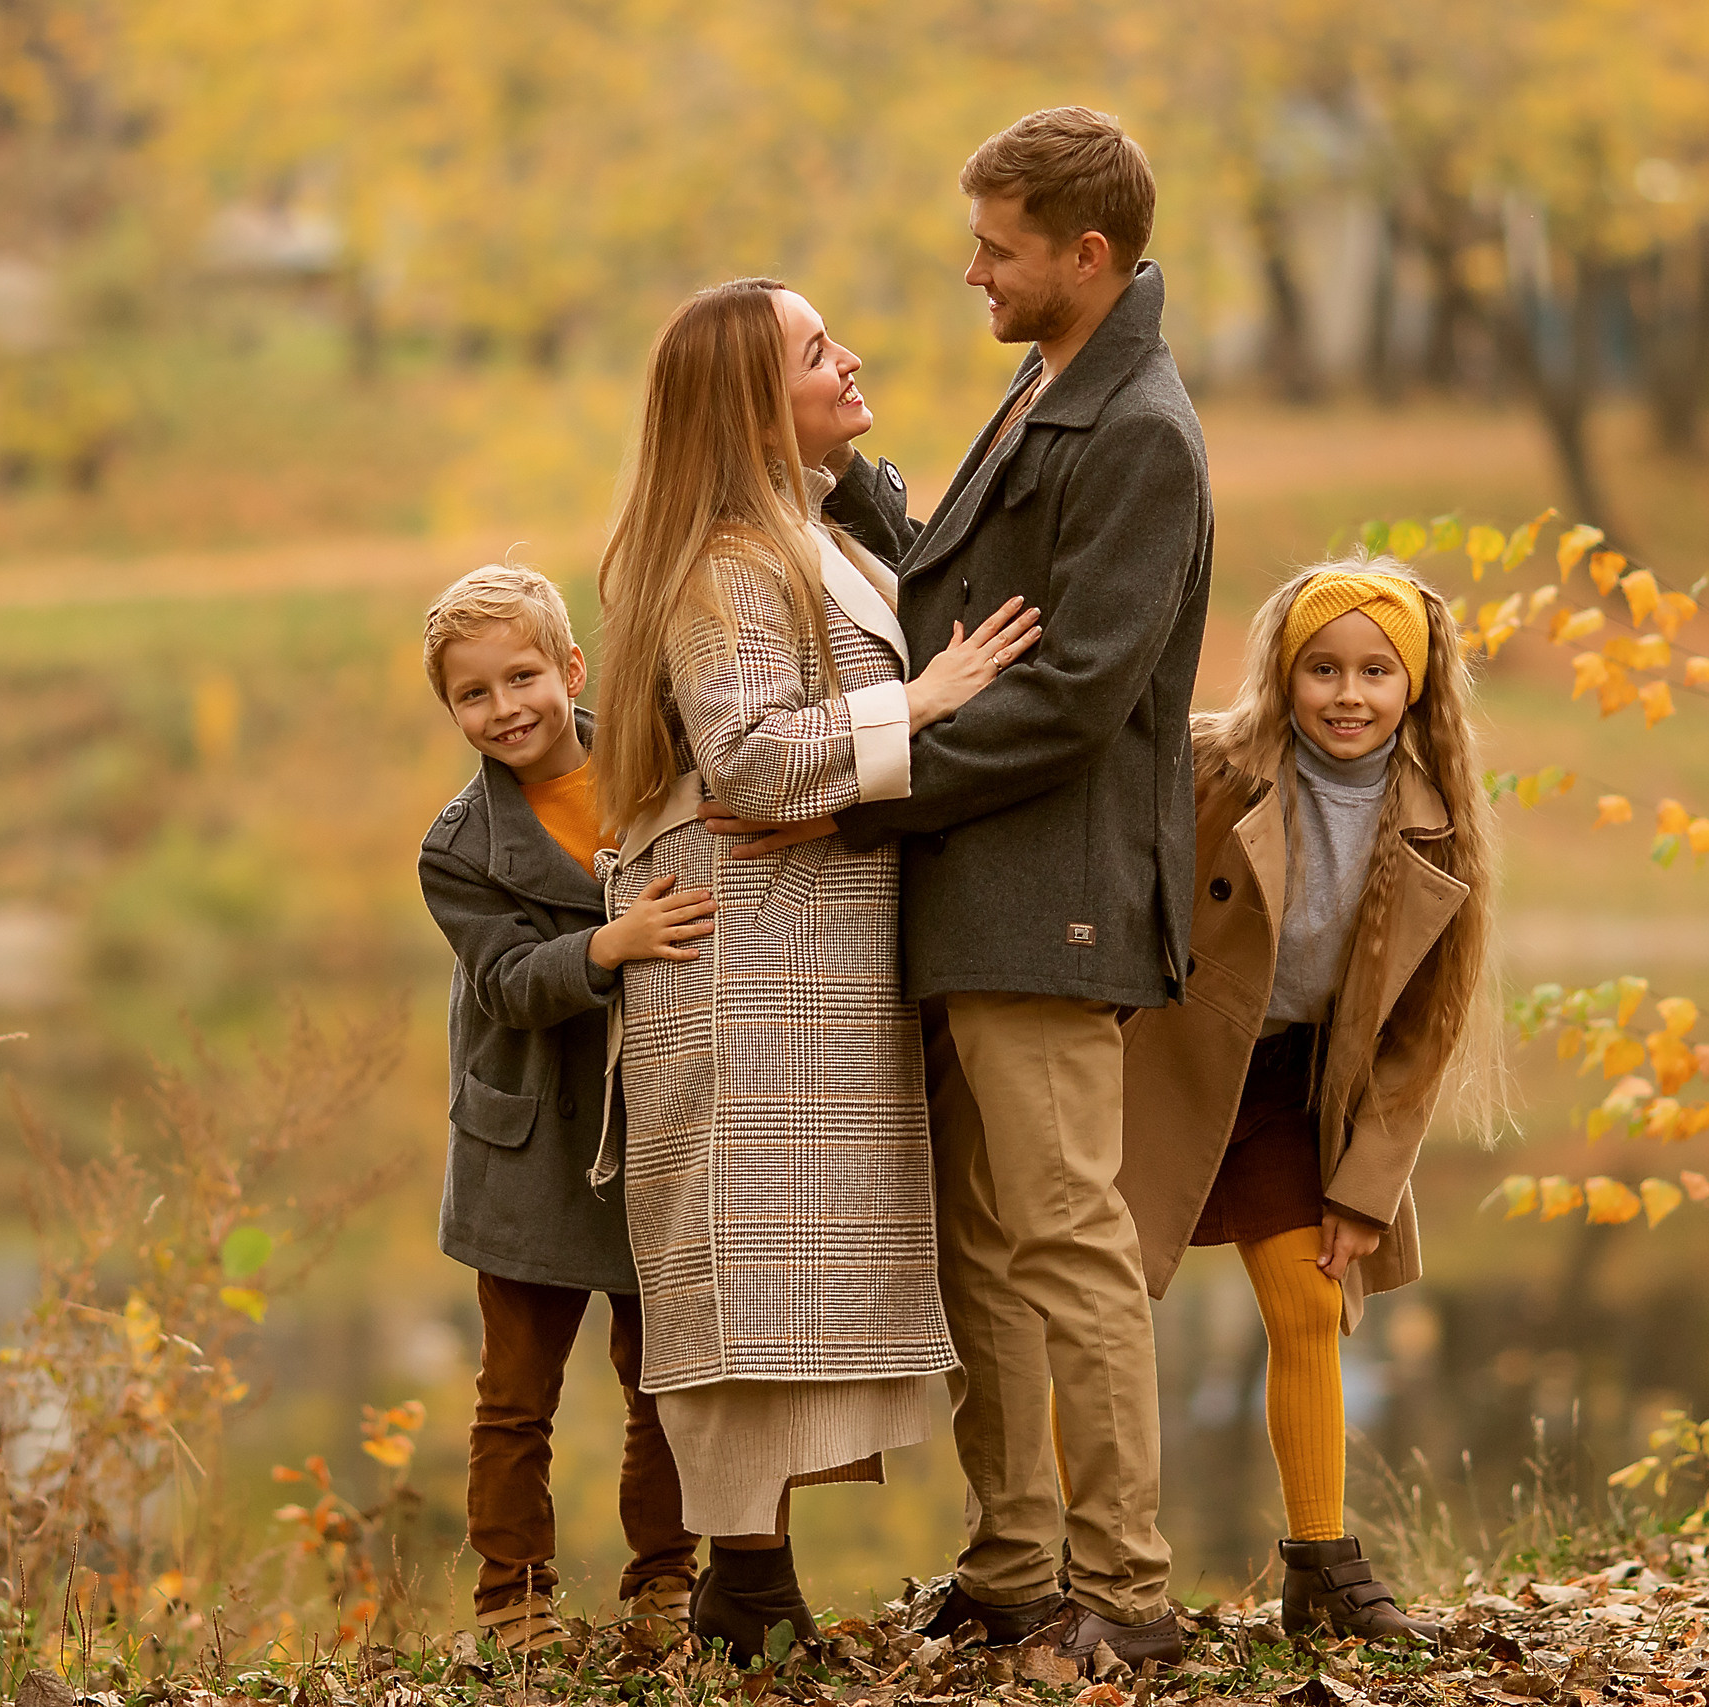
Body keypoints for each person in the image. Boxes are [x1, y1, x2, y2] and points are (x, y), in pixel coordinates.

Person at [731, 106, 1213, 1670]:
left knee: (1068, 1238)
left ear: (1086, 254)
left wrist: (867, 786)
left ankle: (1127, 1592)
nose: (971, 271)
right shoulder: (1055, 380)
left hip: (1050, 896)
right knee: (985, 1254)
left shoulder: (1141, 429)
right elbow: (964, 577)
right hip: (975, 890)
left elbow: (1074, 691)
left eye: (997, 249)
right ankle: (1015, 1561)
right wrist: (848, 475)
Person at [592, 277, 1042, 1663]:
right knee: (743, 1273)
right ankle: (746, 1584)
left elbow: (798, 761)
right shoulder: (726, 557)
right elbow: (751, 757)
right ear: (747, 401)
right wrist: (918, 698)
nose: (851, 359)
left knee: (794, 1273)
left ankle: (755, 1584)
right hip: (739, 955)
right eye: (813, 350)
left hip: (812, 943)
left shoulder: (815, 529)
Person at [1113, 560, 1499, 1642]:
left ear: (1413, 688)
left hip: (1294, 1085)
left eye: (1376, 671)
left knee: (1309, 1305)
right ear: (1284, 674)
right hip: (1166, 1070)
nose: (1347, 693)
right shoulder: (1209, 768)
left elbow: (1420, 1039)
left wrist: (1365, 1189)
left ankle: (1320, 1567)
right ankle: (1085, 1562)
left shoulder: (1437, 824)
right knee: (1097, 1315)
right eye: (1322, 668)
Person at [415, 564, 720, 1655]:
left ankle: (665, 1582)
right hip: (532, 1139)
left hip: (659, 1128)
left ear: (571, 669)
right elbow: (507, 982)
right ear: (451, 710)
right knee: (515, 1396)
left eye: (523, 677)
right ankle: (514, 1597)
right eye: (475, 694)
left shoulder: (659, 763)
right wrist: (607, 945)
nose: (506, 709)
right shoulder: (456, 848)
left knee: (664, 1381)